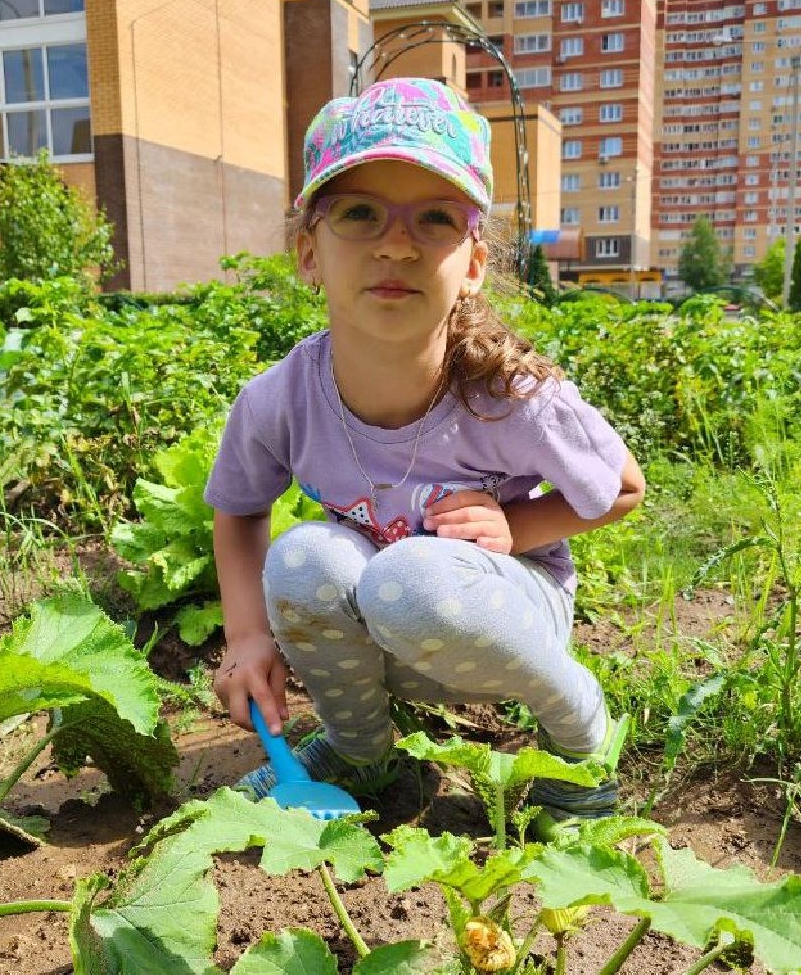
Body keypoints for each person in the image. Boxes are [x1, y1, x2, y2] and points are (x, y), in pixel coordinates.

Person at [204, 77, 645, 824]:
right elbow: (240, 508)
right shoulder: (281, 399)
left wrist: (517, 529)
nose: (398, 243)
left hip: (501, 619)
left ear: (473, 263)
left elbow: (624, 487)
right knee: (307, 556)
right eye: (360, 214)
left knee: (407, 578)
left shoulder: (507, 391)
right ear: (309, 253)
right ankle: (361, 750)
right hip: (390, 628)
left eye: (435, 218)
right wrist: (247, 638)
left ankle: (578, 736)